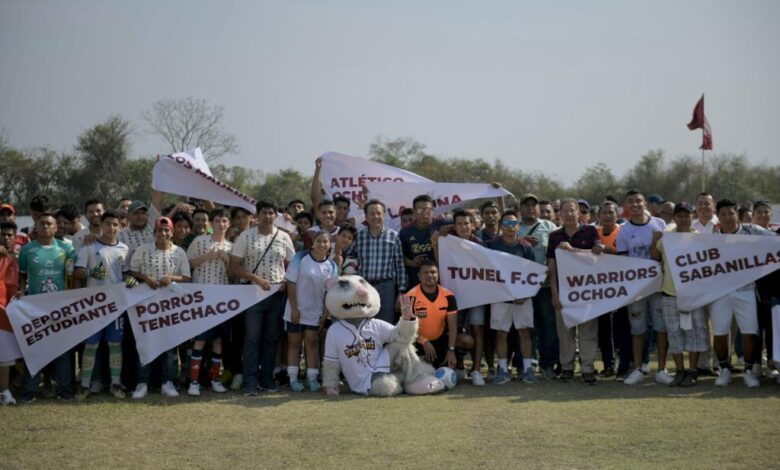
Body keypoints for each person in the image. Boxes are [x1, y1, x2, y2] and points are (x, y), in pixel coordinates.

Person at [230, 198, 295, 396]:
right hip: (252, 294)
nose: (267, 217)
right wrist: (255, 278)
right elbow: (233, 266)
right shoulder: (245, 236)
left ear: (276, 216)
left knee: (271, 338)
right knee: (252, 338)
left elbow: (293, 264)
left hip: (276, 294)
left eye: (271, 213)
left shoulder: (283, 237)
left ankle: (267, 380)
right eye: (264, 213)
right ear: (256, 215)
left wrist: (285, 281)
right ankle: (250, 382)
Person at [710, 198, 773, 388]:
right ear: (718, 217)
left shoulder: (751, 231)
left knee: (749, 333)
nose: (728, 217)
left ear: (737, 215)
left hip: (746, 291)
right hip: (720, 292)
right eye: (723, 214)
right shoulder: (711, 237)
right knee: (720, 333)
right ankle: (724, 369)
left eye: (731, 213)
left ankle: (748, 370)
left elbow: (775, 240)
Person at [129, 217, 191, 399]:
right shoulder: (142, 250)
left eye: (166, 231)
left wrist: (171, 278)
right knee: (146, 343)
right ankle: (142, 383)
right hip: (146, 305)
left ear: (171, 233)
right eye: (159, 231)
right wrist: (145, 278)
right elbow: (132, 271)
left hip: (170, 306)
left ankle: (167, 382)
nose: (163, 234)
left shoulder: (179, 252)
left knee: (169, 345)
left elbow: (186, 278)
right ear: (154, 233)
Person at [17, 212, 77, 402]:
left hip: (59, 307)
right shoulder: (27, 250)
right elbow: (23, 276)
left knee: (62, 350)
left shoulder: (66, 248)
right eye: (42, 224)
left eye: (49, 224)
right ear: (35, 227)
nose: (45, 227)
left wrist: (73, 296)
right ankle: (30, 391)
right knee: (34, 349)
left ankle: (65, 390)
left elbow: (71, 275)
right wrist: (20, 291)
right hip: (35, 308)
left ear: (56, 228)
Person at [547, 198, 604, 385]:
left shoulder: (590, 231)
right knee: (565, 332)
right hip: (563, 292)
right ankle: (567, 367)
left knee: (588, 331)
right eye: (565, 211)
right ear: (560, 214)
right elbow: (552, 267)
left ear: (578, 212)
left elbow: (596, 255)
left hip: (586, 291)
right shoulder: (554, 236)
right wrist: (554, 294)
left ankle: (587, 367)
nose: (569, 214)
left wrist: (573, 250)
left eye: (573, 210)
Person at [73, 211, 129, 399]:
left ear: (120, 227)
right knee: (91, 346)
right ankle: (84, 385)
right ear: (101, 225)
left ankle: (115, 383)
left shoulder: (124, 248)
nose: (112, 228)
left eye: (115, 224)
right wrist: (92, 273)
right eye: (108, 224)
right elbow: (78, 271)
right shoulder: (89, 245)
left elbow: (127, 277)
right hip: (94, 306)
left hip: (116, 306)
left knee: (115, 344)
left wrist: (135, 284)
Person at [616, 190, 670, 386]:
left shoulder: (659, 224)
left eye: (638, 201)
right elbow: (623, 264)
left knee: (661, 328)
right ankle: (638, 368)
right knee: (637, 329)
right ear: (626, 206)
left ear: (645, 203)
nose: (635, 205)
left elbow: (667, 255)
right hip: (636, 290)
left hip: (657, 286)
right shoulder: (623, 231)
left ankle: (662, 369)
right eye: (631, 202)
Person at [651, 202, 707, 386]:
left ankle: (692, 371)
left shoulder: (700, 238)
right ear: (674, 218)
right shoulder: (666, 238)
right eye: (680, 216)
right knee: (674, 334)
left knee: (695, 334)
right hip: (669, 293)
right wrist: (654, 241)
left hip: (693, 294)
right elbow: (656, 257)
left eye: (687, 215)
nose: (683, 219)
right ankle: (680, 370)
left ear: (692, 217)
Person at [485, 210, 539, 384]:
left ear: (518, 226)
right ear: (501, 226)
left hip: (522, 298)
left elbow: (532, 273)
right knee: (501, 333)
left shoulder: (525, 247)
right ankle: (502, 369)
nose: (510, 227)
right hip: (500, 298)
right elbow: (485, 271)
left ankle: (528, 369)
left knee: (524, 332)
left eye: (513, 223)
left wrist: (525, 294)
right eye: (506, 224)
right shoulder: (492, 245)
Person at [434, 208, 487, 384]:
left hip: (477, 295)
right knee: (455, 331)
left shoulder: (480, 243)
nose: (463, 227)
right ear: (454, 226)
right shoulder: (448, 242)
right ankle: (459, 367)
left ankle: (477, 370)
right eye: (459, 224)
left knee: (477, 330)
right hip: (455, 295)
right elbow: (439, 262)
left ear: (473, 225)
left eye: (467, 223)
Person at [185, 208, 233, 396]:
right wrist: (206, 257)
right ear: (211, 223)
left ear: (228, 224)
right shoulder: (199, 241)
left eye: (224, 221)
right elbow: (187, 264)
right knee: (199, 341)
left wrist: (226, 259)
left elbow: (233, 276)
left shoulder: (231, 246)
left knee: (218, 341)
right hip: (201, 297)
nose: (221, 224)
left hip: (221, 300)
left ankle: (214, 379)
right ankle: (194, 382)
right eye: (218, 221)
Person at [283, 231, 339, 392]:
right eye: (319, 241)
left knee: (312, 343)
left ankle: (312, 379)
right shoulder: (300, 257)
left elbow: (330, 292)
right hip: (295, 309)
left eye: (325, 242)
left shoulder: (333, 266)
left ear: (329, 245)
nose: (322, 245)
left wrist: (325, 314)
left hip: (316, 312)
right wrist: (294, 308)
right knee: (294, 343)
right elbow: (291, 283)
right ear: (313, 243)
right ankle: (293, 379)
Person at [517, 194, 559, 380]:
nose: (530, 208)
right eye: (526, 205)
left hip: (545, 286)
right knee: (524, 327)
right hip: (522, 286)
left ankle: (547, 364)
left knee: (548, 325)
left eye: (533, 205)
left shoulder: (549, 226)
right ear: (520, 208)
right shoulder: (515, 227)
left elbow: (556, 252)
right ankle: (524, 364)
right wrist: (522, 241)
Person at [406, 260, 472, 369]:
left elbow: (452, 327)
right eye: (426, 272)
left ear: (438, 275)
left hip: (440, 340)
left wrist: (451, 350)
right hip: (418, 341)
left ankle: (457, 362)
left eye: (433, 272)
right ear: (419, 276)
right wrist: (423, 341)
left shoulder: (448, 295)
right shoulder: (410, 296)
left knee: (466, 341)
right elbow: (407, 329)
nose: (430, 275)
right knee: (420, 375)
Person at [354, 199, 407, 324]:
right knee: (364, 324)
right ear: (366, 216)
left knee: (386, 325)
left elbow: (400, 266)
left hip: (386, 287)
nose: (375, 217)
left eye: (378, 213)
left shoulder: (394, 236)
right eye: (371, 214)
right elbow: (350, 260)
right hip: (364, 287)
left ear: (384, 215)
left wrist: (401, 292)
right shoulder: (359, 237)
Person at [400, 194, 450, 287]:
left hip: (441, 280)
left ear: (432, 210)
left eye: (427, 209)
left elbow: (465, 224)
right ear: (414, 211)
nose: (424, 213)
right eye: (420, 210)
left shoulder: (443, 223)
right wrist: (413, 263)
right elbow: (400, 256)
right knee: (410, 301)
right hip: (415, 280)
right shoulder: (405, 232)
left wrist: (448, 228)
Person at [595, 201, 621, 378]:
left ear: (616, 215)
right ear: (598, 216)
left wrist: (607, 250)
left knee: (621, 330)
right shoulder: (594, 233)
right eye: (604, 213)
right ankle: (609, 365)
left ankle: (627, 364)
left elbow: (625, 255)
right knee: (605, 330)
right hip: (599, 288)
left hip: (622, 287)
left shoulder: (623, 232)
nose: (607, 215)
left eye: (611, 212)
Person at [0, 220, 20, 405]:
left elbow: (13, 288)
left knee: (5, 356)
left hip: (4, 314)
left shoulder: (13, 260)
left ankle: (5, 392)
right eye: (3, 234)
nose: (6, 238)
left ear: (15, 238)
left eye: (9, 235)